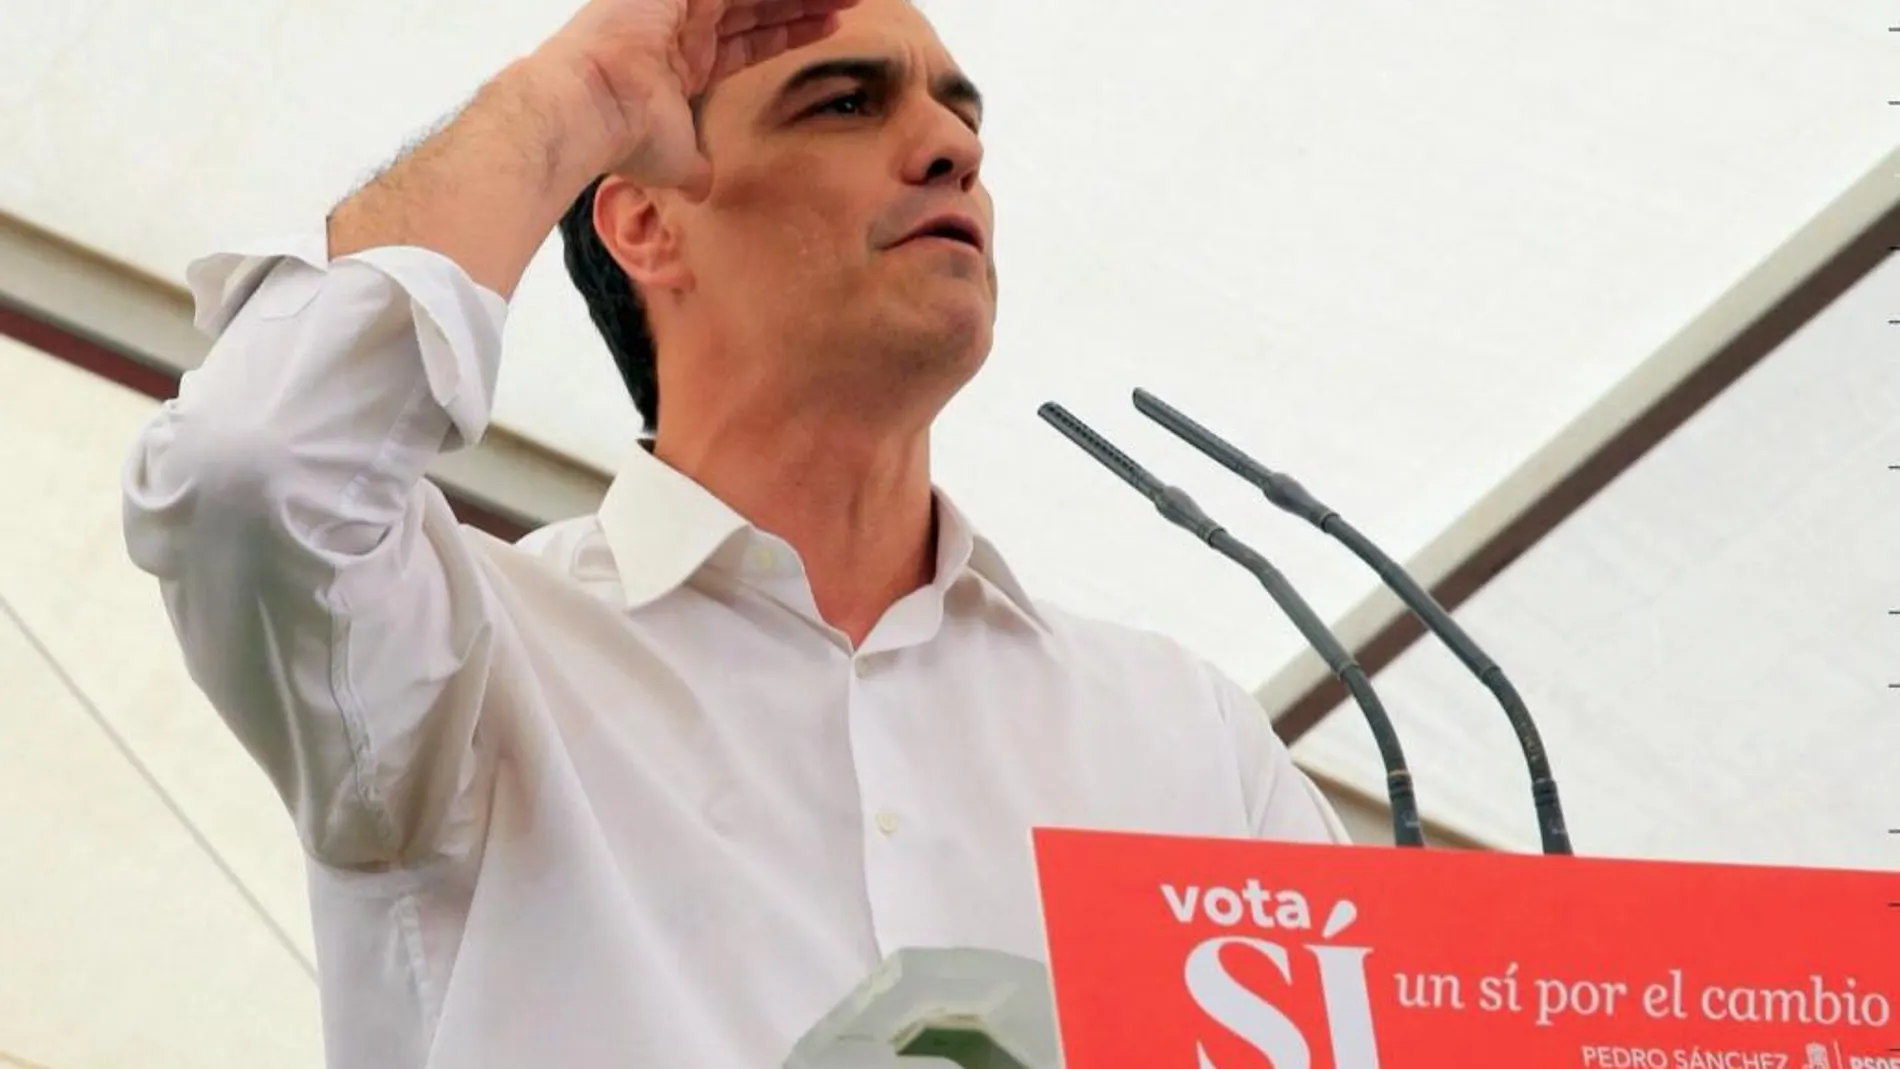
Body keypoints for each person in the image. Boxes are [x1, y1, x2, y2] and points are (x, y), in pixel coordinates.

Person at [120, 0, 1351, 1065]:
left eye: (960, 114)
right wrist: (584, 89)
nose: (950, 149)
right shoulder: (466, 663)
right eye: (844, 104)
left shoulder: (1182, 736)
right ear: (645, 224)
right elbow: (250, 465)